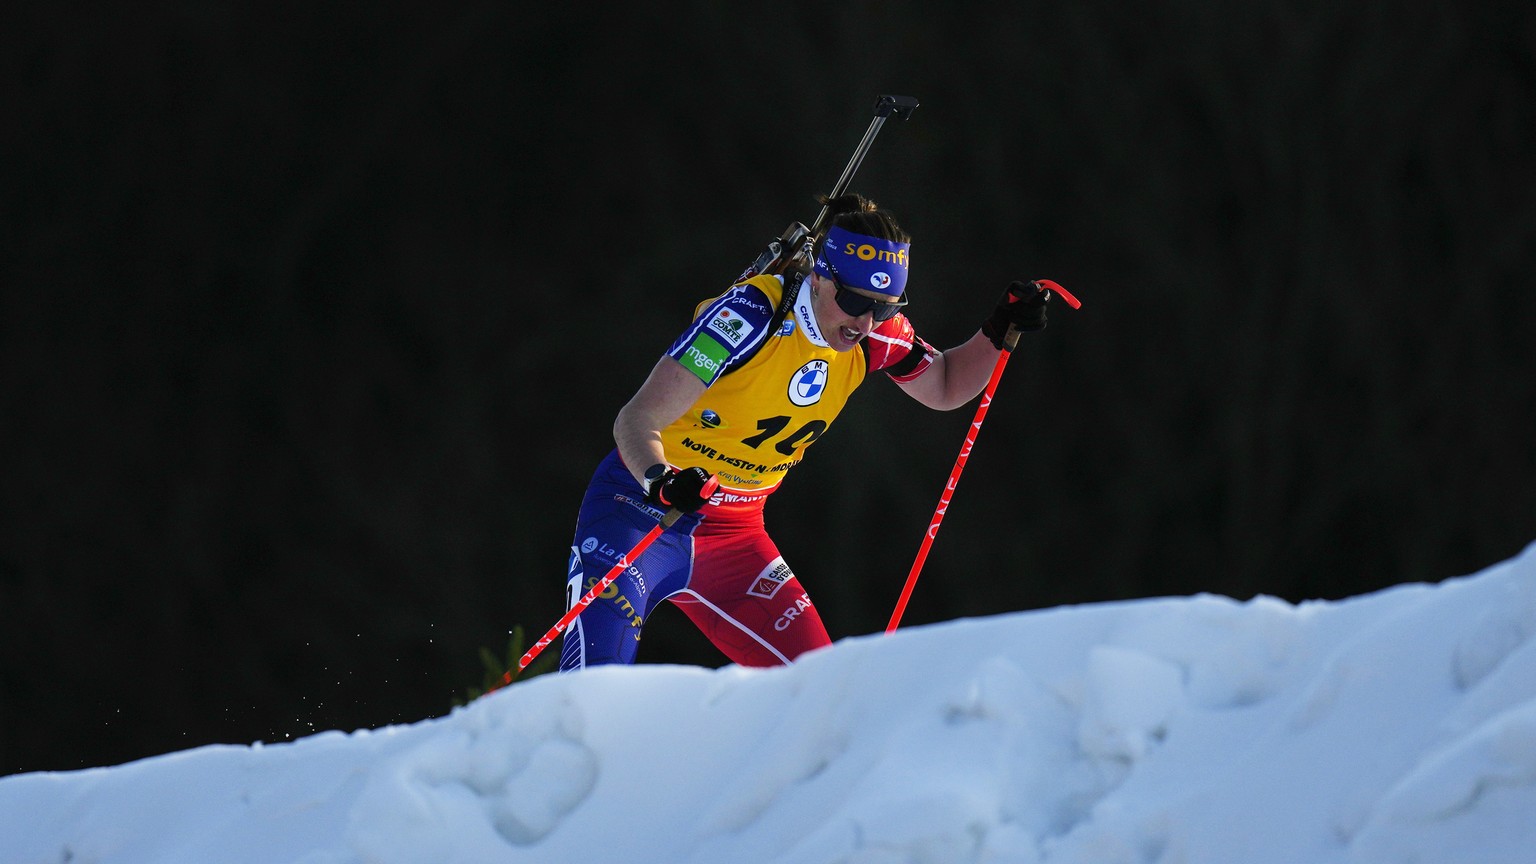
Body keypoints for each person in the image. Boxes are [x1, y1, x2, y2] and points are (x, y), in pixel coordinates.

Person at [558, 192, 1053, 672]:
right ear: (819, 276)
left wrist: (997, 331)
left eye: (884, 306)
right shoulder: (749, 318)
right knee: (594, 685)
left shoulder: (878, 334)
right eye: (855, 299)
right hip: (641, 510)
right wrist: (661, 479)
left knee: (821, 689)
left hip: (736, 536)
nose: (864, 321)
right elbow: (636, 420)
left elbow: (944, 384)